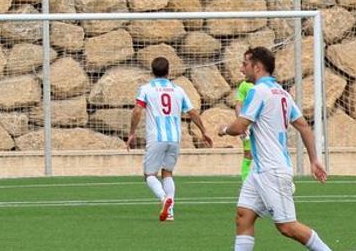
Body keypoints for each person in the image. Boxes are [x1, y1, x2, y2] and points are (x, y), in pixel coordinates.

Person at [219, 46, 331, 251]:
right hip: (259, 170)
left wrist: (224, 130)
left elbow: (240, 126)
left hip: (272, 169)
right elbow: (304, 126)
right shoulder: (282, 93)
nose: (241, 69)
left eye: (245, 64)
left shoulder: (258, 91)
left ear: (258, 67)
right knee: (243, 216)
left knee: (287, 226)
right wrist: (314, 160)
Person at [126, 56, 212, 222]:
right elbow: (192, 112)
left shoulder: (146, 88)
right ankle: (170, 212)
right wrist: (203, 131)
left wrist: (131, 132)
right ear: (168, 71)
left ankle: (164, 199)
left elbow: (137, 111)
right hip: (175, 138)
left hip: (157, 137)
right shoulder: (178, 90)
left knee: (149, 174)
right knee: (168, 173)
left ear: (152, 71)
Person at [234, 50, 255, 181]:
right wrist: (241, 123)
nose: (242, 69)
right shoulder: (244, 85)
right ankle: (245, 182)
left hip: (262, 126)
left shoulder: (266, 85)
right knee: (248, 154)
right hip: (248, 125)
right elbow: (238, 105)